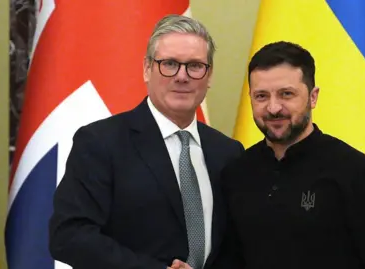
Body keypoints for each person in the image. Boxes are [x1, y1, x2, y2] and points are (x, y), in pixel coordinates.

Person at [48, 14, 244, 269]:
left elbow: (234, 245)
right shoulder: (100, 142)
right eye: (170, 64)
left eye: (195, 66)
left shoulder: (228, 152)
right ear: (147, 69)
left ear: (209, 76)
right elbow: (69, 236)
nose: (182, 76)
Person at [215, 41, 365, 269]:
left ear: (313, 97)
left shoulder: (359, 173)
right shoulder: (236, 173)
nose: (273, 107)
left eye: (286, 94)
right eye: (261, 96)